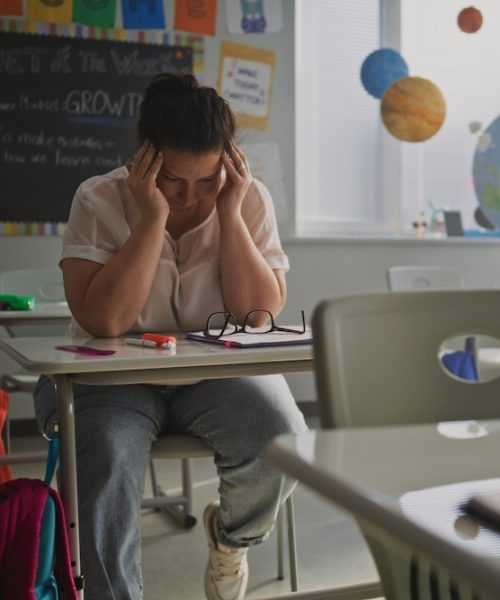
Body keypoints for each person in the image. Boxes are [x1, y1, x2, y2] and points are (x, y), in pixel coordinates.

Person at [33, 71, 307, 600]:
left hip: (213, 374)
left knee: (281, 436)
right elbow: (106, 322)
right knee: (104, 457)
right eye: (172, 180)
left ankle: (230, 540)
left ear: (228, 160)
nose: (188, 196)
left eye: (206, 181)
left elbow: (257, 313)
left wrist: (229, 212)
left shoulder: (246, 199)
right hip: (113, 380)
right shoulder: (98, 198)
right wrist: (150, 219)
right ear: (145, 158)